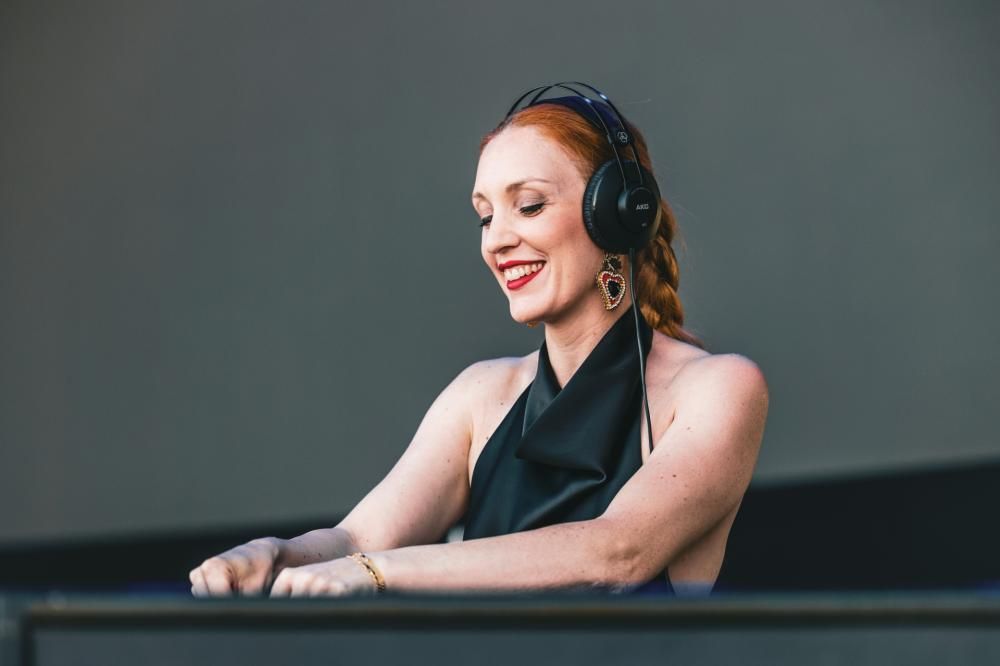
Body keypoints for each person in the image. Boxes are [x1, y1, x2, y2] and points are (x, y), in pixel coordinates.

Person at [189, 85, 769, 598]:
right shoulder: (479, 394)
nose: (496, 241)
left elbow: (617, 553)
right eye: (486, 217)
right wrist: (277, 555)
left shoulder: (719, 387)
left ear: (618, 214)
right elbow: (359, 539)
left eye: (529, 206)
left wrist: (376, 572)